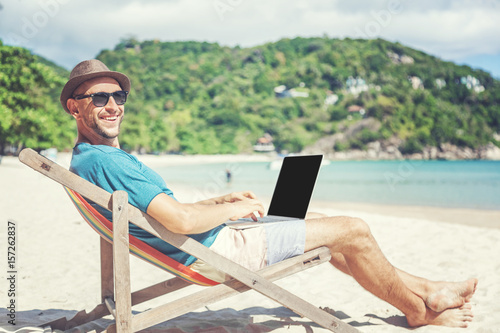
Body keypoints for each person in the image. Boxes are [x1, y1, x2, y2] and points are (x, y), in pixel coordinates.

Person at [61, 59, 477, 328]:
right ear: (74, 107)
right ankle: (419, 312)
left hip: (211, 242)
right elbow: (180, 223)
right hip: (221, 253)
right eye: (99, 97)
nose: (113, 104)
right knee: (354, 229)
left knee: (315, 220)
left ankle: (428, 289)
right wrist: (236, 209)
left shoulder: (89, 160)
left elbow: (161, 214)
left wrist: (219, 203)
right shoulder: (107, 162)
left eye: (118, 95)